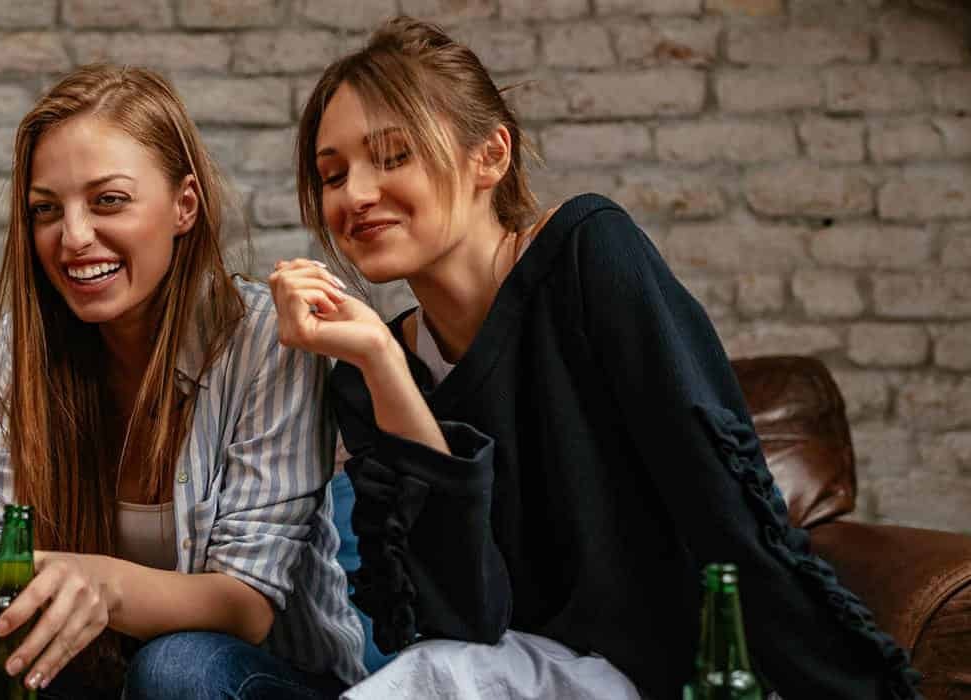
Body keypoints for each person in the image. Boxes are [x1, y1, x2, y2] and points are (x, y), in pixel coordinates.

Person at [269, 17, 923, 700]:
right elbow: (457, 623)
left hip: (667, 676)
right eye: (332, 174)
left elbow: (728, 515)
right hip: (513, 678)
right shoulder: (368, 370)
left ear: (490, 156)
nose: (355, 196)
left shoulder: (588, 257)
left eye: (393, 155)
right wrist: (380, 361)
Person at [0, 64, 366, 699]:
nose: (72, 238)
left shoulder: (267, 340)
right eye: (46, 210)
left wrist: (100, 583)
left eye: (108, 201)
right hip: (93, 668)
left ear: (184, 205)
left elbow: (248, 603)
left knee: (178, 672)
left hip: (257, 675)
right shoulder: (27, 341)